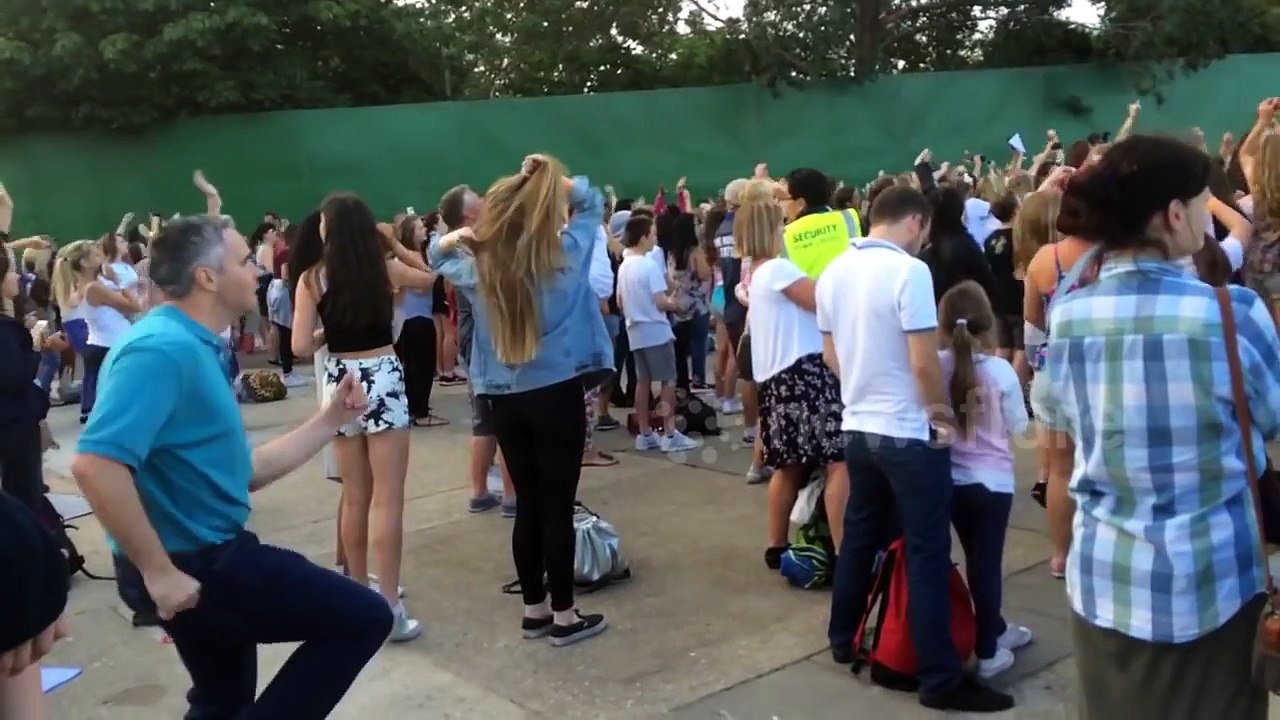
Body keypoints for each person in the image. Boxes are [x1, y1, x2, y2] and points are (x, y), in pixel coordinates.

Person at [71, 215, 393, 719]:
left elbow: (239, 471)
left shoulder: (191, 344)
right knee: (364, 617)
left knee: (221, 699)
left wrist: (331, 419)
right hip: (198, 565)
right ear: (207, 277)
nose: (256, 272)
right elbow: (95, 466)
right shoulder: (161, 349)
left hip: (201, 559)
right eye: (244, 260)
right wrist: (160, 574)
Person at [1034, 135, 1279, 720]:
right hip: (1214, 578)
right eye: (1201, 200)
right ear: (1175, 214)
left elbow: (1056, 416)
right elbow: (1270, 417)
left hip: (1105, 578)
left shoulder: (1068, 316)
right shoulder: (1232, 315)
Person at [821, 186, 1014, 713]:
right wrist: (940, 419)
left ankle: (843, 637)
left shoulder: (834, 271)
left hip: (859, 427)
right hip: (907, 431)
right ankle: (940, 678)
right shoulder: (910, 273)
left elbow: (830, 351)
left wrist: (861, 389)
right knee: (928, 551)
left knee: (861, 535)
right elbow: (924, 362)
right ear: (915, 221)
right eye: (924, 231)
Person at [430, 155, 612, 646]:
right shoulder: (563, 257)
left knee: (529, 505)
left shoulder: (480, 270)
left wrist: (460, 237)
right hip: (555, 392)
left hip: (505, 399)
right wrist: (550, 173)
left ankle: (534, 610)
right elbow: (593, 202)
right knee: (557, 507)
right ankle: (565, 616)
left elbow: (436, 255)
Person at [936, 281, 1033, 680]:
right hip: (993, 484)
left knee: (976, 557)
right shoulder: (1000, 372)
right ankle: (989, 650)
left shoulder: (936, 366)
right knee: (986, 564)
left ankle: (993, 626)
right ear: (988, 322)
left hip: (952, 482)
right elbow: (1019, 426)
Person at [618, 215, 701, 453]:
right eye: (652, 233)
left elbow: (621, 302)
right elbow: (660, 301)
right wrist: (677, 304)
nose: (655, 237)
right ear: (643, 237)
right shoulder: (648, 265)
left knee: (643, 381)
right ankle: (670, 431)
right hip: (656, 329)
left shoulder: (625, 266)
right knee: (667, 381)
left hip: (635, 329)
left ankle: (645, 432)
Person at [0, 247, 50, 511]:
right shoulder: (4, 331)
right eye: (10, 271)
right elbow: (16, 376)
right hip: (13, 427)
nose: (16, 277)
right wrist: (33, 348)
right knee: (24, 493)